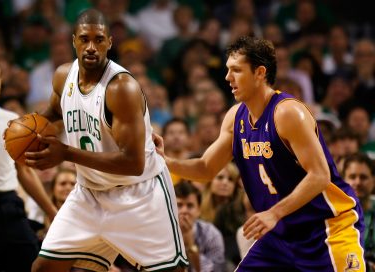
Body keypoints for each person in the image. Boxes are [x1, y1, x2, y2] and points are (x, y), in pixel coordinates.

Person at [154, 36, 366, 271]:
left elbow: (319, 175)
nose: (227, 78)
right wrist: (166, 162)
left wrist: (273, 213)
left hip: (327, 227)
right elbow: (206, 168)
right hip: (280, 235)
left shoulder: (287, 113)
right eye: (227, 70)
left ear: (259, 73)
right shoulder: (235, 118)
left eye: (236, 70)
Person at [22, 9, 188, 272]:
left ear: (110, 42)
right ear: (73, 40)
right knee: (42, 268)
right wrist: (28, 131)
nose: (91, 47)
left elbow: (133, 163)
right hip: (88, 193)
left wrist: (66, 153)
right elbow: (54, 113)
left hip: (138, 194)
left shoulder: (121, 87)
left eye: (99, 40)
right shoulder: (64, 76)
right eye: (84, 39)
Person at [0, 55, 57, 271]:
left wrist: (52, 212)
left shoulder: (12, 121)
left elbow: (25, 172)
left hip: (11, 205)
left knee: (34, 265)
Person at [174, 180, 225, 272]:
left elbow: (215, 270)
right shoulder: (161, 232)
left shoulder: (212, 234)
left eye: (190, 206)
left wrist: (190, 245)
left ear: (199, 210)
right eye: (179, 205)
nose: (184, 211)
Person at [342, 153, 375, 271]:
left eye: (363, 177)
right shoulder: (332, 212)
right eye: (352, 177)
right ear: (343, 180)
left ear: (373, 180)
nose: (358, 182)